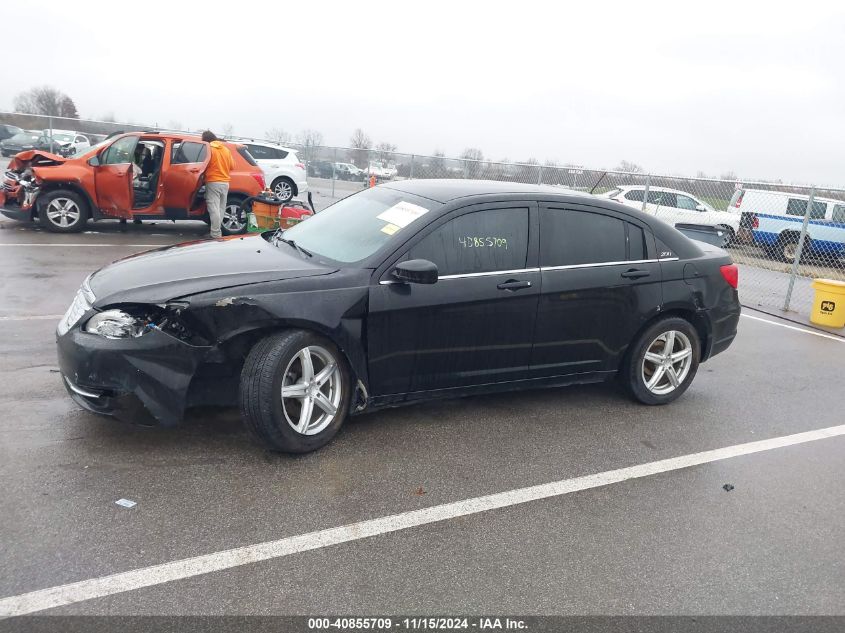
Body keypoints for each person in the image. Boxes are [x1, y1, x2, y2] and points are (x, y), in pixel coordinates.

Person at [201, 130, 234, 238]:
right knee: (221, 209)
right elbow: (232, 166)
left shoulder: (209, 149)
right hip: (225, 182)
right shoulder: (226, 149)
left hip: (213, 182)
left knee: (213, 209)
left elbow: (204, 164)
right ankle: (216, 231)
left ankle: (215, 234)